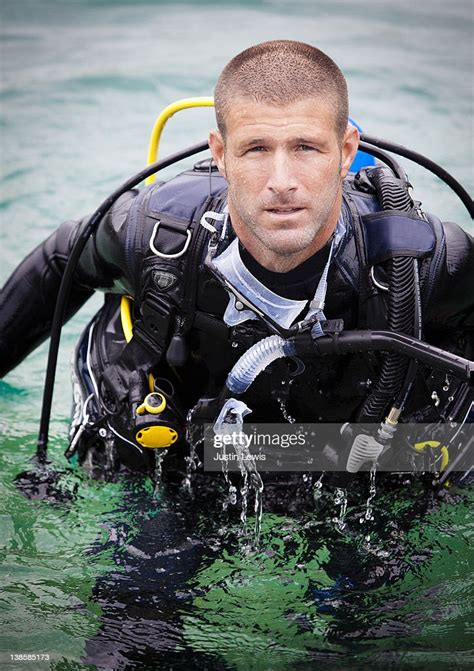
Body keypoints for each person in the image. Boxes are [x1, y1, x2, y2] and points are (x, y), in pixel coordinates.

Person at [1, 40, 473, 481]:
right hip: (187, 448)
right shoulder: (156, 235)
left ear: (346, 152)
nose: (282, 180)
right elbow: (62, 255)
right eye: (256, 149)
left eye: (306, 147)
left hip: (353, 455)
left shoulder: (423, 264)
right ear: (221, 154)